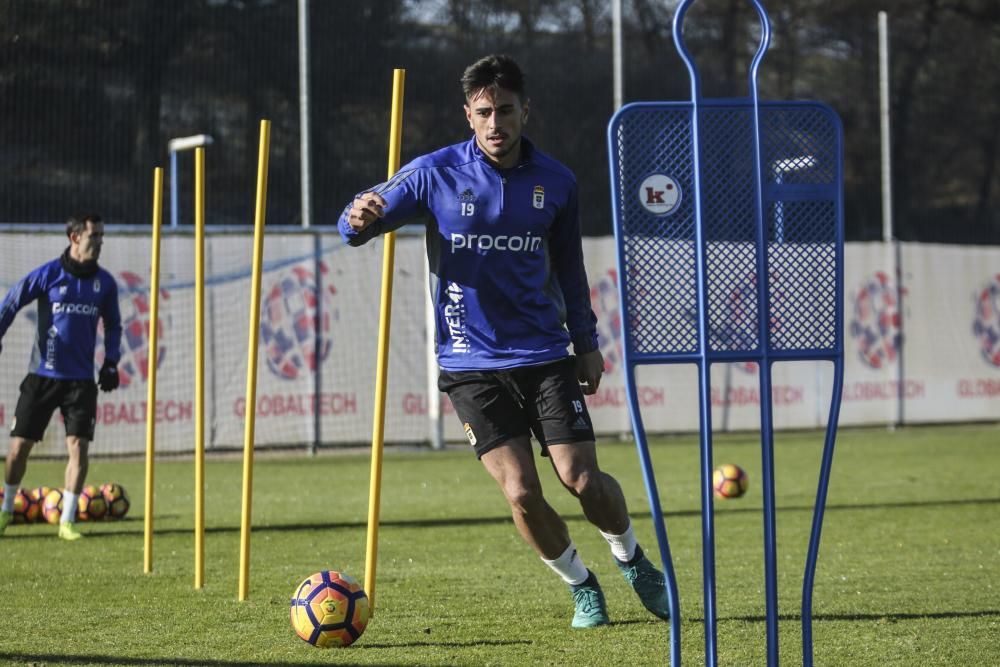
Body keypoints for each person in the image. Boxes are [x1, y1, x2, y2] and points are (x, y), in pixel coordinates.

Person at [338, 54, 669, 628]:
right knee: (520, 492)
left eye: (506, 111)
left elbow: (569, 269)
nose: (496, 123)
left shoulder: (558, 182)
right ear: (468, 114)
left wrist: (585, 342)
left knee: (582, 479)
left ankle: (632, 559)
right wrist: (357, 216)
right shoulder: (433, 173)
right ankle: (581, 585)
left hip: (545, 355)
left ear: (525, 111)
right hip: (469, 361)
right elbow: (363, 217)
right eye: (485, 112)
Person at [0, 214, 122, 540]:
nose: (98, 243)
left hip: (80, 381)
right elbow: (13, 300)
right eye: (93, 236)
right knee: (17, 450)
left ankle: (67, 521)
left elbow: (113, 325)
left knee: (79, 449)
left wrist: (111, 362)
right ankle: (7, 509)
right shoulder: (49, 274)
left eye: (101, 236)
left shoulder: (105, 284)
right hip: (42, 376)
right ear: (74, 237)